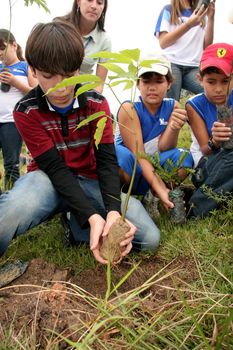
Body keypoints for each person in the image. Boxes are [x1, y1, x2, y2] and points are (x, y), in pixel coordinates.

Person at [0, 21, 161, 263]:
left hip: (90, 180)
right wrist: (94, 216)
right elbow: (54, 168)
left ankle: (76, 221)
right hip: (47, 182)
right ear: (32, 70)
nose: (60, 86)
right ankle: (81, 217)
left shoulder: (97, 103)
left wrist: (113, 212)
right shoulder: (26, 110)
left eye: (68, 75)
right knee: (9, 214)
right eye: (48, 76)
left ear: (79, 69)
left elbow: (106, 162)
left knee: (149, 239)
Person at [114, 53, 194, 212]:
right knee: (120, 155)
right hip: (132, 168)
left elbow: (165, 148)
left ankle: (152, 197)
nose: (152, 87)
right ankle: (117, 201)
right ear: (137, 83)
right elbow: (138, 154)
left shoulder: (173, 106)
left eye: (159, 81)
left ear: (169, 83)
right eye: (146, 81)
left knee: (184, 157)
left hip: (155, 163)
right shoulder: (129, 108)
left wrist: (172, 127)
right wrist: (158, 184)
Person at [186, 42, 233, 217]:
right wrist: (215, 141)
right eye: (211, 82)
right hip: (206, 167)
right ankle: (196, 207)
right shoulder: (195, 105)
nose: (219, 89)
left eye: (225, 81)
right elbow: (205, 149)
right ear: (200, 79)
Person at [154, 0, 215, 101]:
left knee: (212, 92)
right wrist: (189, 25)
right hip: (172, 63)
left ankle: (218, 117)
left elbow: (207, 47)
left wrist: (211, 18)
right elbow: (163, 42)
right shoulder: (168, 10)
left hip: (194, 67)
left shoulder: (201, 12)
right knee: (171, 102)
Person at [0, 29, 37, 190]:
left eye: (2, 48)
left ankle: (12, 202)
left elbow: (36, 92)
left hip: (12, 122)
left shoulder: (25, 66)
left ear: (14, 45)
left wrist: (15, 82)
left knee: (11, 165)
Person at [55, 0, 111, 93]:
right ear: (78, 2)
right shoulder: (59, 26)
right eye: (89, 0)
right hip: (56, 89)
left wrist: (90, 101)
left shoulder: (104, 41)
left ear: (104, 8)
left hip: (82, 95)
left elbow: (99, 84)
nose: (94, 6)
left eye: (99, 2)